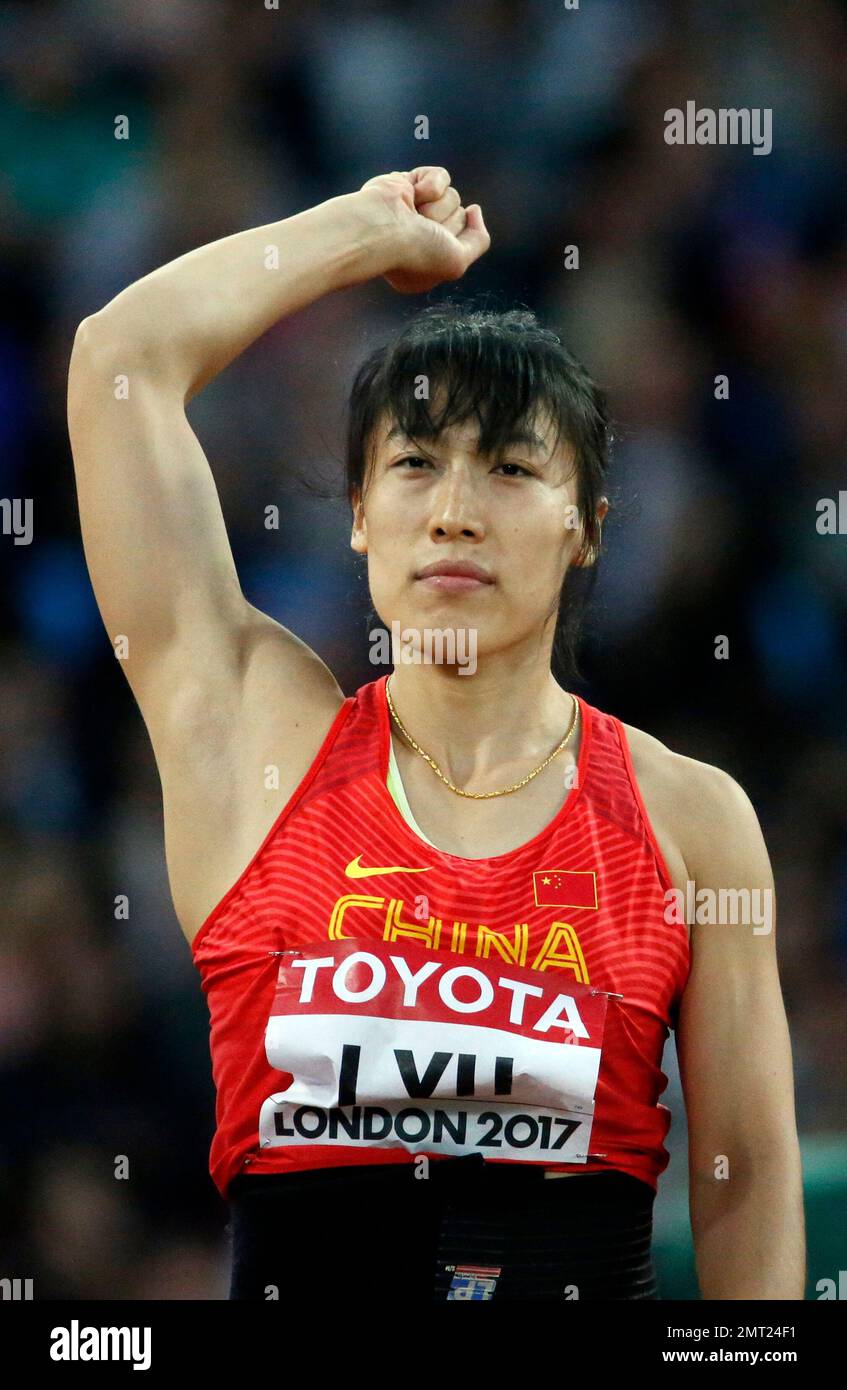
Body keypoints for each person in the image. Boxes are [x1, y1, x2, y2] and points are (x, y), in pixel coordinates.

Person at [68, 166, 805, 1301]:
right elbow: (120, 361)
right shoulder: (256, 745)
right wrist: (355, 233)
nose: (455, 508)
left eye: (511, 468)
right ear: (360, 514)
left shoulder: (688, 820)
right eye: (415, 464)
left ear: (585, 528)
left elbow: (746, 1178)